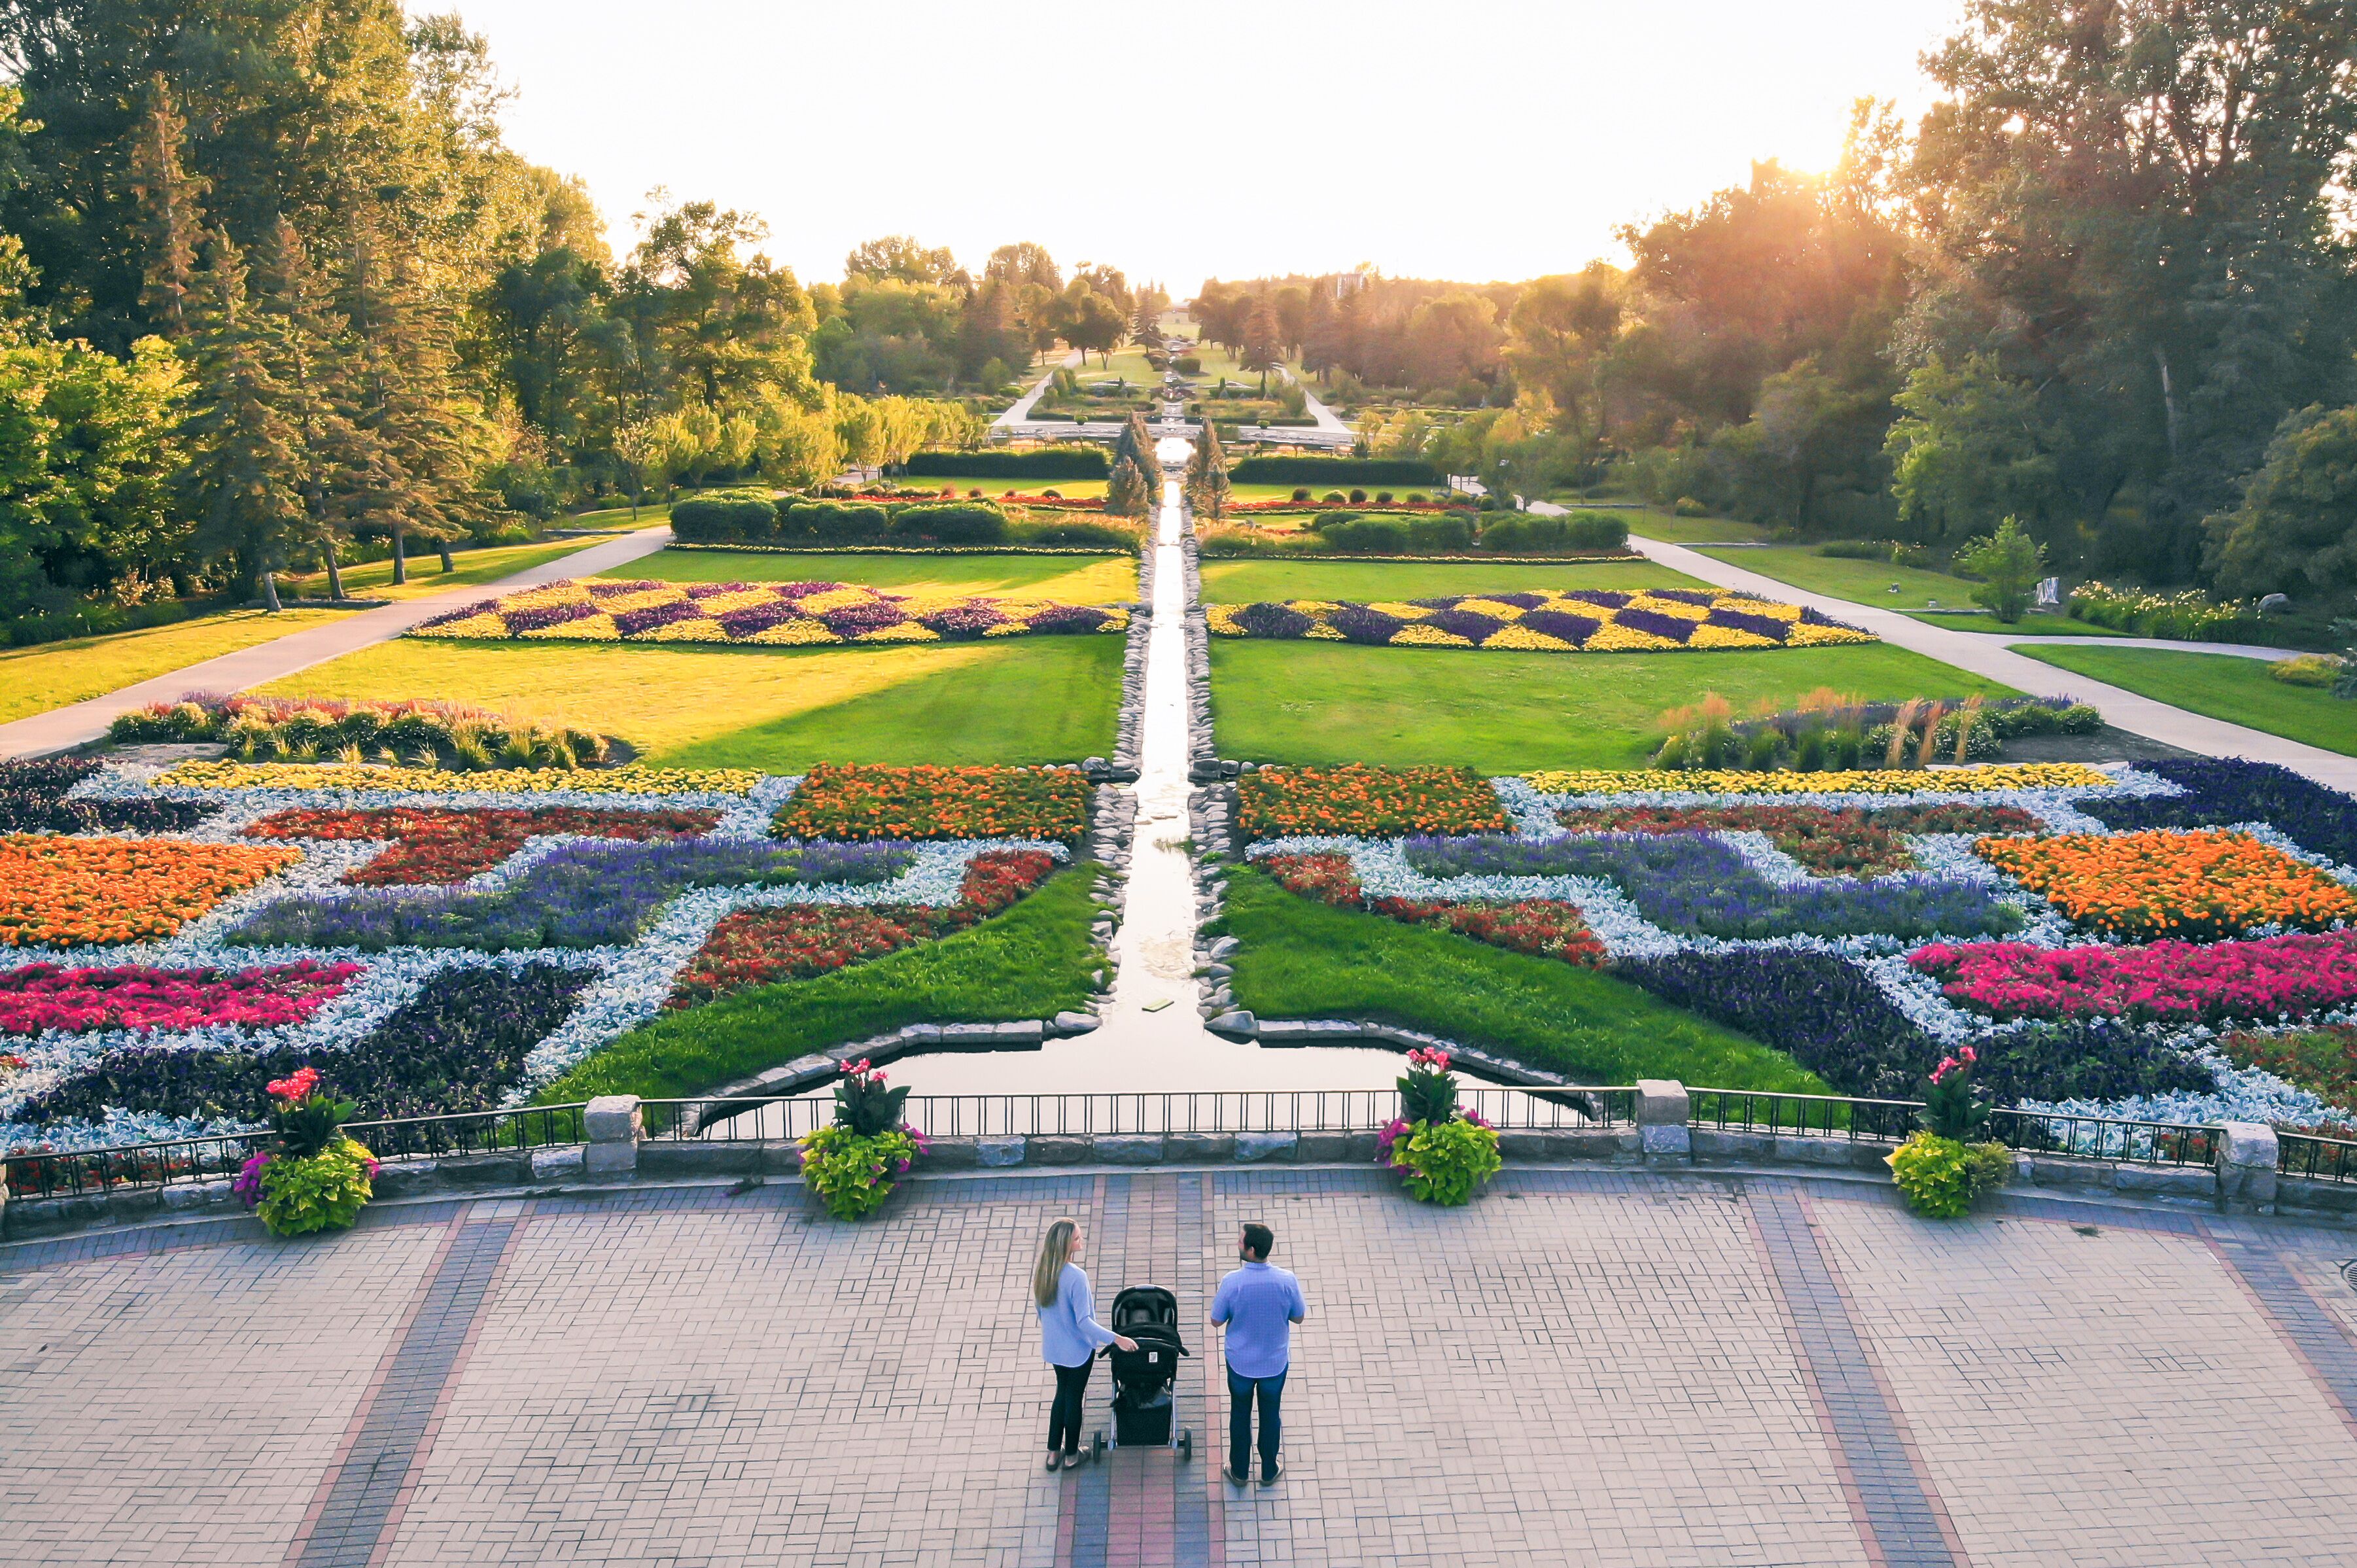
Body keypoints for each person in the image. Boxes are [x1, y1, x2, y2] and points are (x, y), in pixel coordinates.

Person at [1032, 1217, 1136, 1471]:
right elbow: (1084, 1323)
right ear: (1067, 1245)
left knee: (1061, 1394)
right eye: (1077, 1238)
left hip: (1055, 1349)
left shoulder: (1043, 1271)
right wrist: (1117, 1338)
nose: (1082, 1241)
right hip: (1078, 1351)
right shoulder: (1076, 1277)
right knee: (1074, 1398)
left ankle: (1053, 1453)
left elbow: (1040, 1310)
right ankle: (1071, 1455)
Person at [1210, 1221, 1306, 1486]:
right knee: (1271, 1413)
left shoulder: (1232, 1282)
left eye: (1241, 1241)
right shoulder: (1287, 1280)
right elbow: (1298, 1317)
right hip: (1274, 1364)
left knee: (1240, 1414)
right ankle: (1268, 1470)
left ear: (1251, 1250)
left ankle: (1239, 1472)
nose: (1238, 1244)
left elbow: (1216, 1321)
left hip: (1240, 1363)